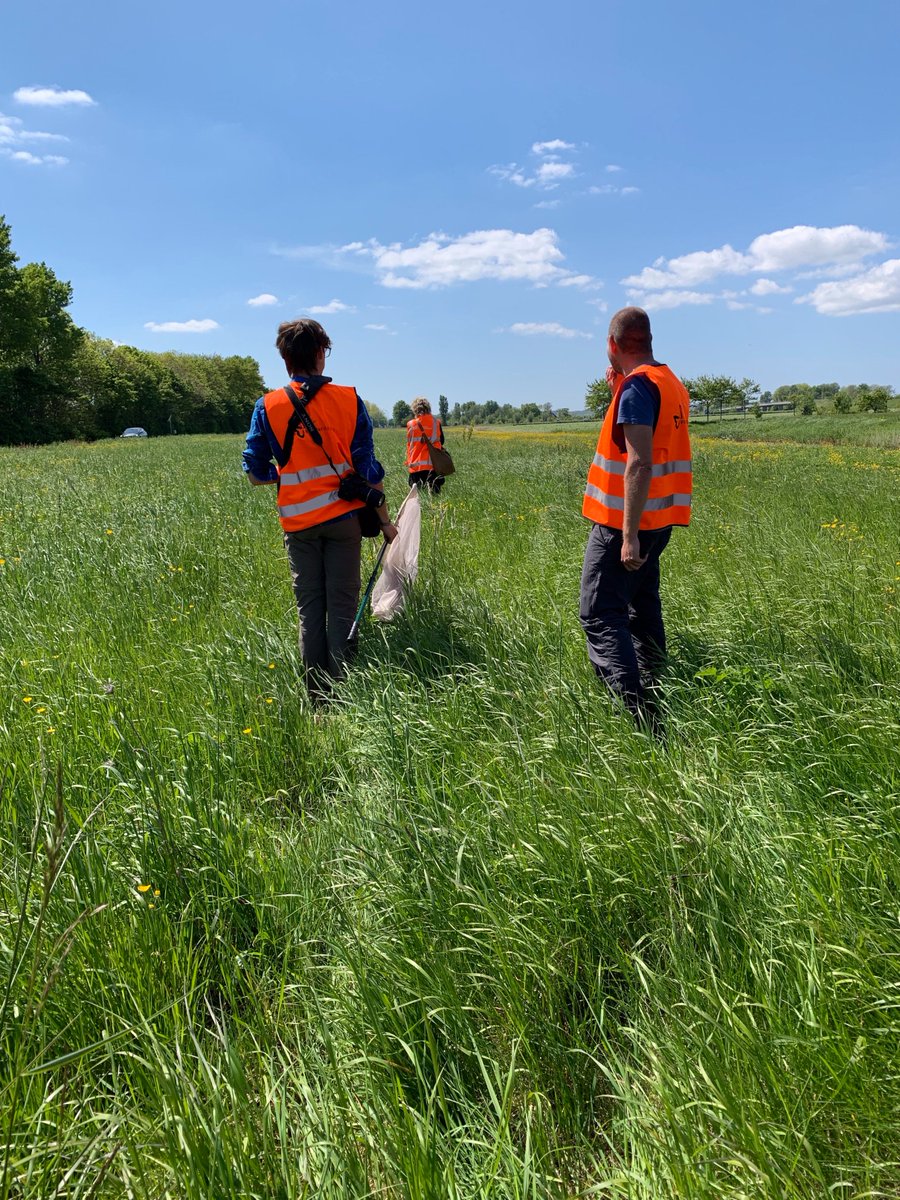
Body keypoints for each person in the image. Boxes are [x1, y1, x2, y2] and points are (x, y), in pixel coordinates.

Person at [242, 317, 397, 700]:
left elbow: (255, 472)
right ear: (319, 355)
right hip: (343, 521)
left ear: (284, 359)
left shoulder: (268, 406)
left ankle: (318, 699)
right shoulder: (348, 400)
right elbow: (367, 469)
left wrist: (287, 475)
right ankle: (346, 695)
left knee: (311, 611)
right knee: (343, 606)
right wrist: (385, 521)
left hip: (298, 526)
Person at [579, 306, 692, 731]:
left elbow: (640, 463)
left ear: (613, 345)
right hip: (660, 520)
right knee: (641, 607)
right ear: (647, 341)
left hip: (624, 527)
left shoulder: (637, 390)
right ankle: (656, 681)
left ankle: (640, 718)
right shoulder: (668, 381)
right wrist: (617, 392)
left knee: (600, 613)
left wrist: (627, 536)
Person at [406, 397, 447, 492]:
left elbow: (409, 444)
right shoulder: (436, 423)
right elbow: (442, 441)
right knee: (434, 497)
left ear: (414, 409)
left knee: (417, 499)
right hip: (434, 466)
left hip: (416, 467)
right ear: (428, 408)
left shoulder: (410, 424)